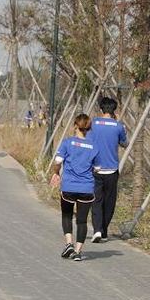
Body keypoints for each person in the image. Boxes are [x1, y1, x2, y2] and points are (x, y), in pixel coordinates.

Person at [49, 114, 98, 262]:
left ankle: (68, 243)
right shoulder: (94, 146)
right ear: (88, 128)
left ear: (75, 126)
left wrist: (56, 172)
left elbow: (58, 160)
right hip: (87, 188)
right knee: (82, 221)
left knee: (67, 215)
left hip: (69, 186)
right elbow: (97, 167)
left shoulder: (67, 143)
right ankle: (77, 251)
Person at [87, 96, 128, 242]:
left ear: (101, 109)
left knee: (96, 200)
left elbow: (88, 142)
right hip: (112, 169)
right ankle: (103, 230)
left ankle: (97, 230)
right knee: (110, 201)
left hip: (95, 168)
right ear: (114, 110)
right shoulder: (118, 126)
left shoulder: (93, 124)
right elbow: (125, 143)